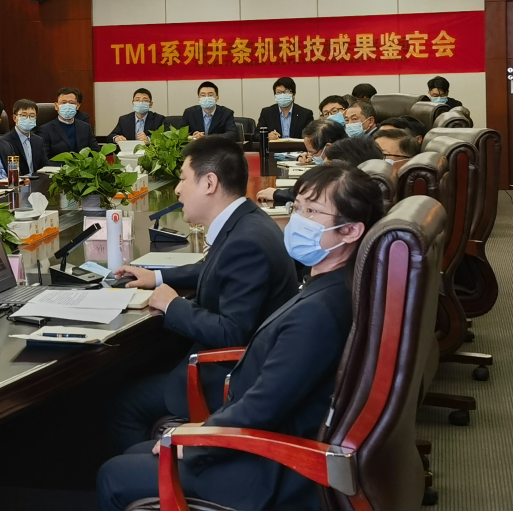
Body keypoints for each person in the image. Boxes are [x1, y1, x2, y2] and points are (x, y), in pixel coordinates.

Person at [98, 163, 384, 511]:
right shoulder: (337, 284)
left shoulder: (319, 312)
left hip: (270, 471)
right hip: (268, 439)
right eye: (297, 207)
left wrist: (198, 439)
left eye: (312, 212)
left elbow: (264, 407)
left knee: (113, 474)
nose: (298, 220)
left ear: (350, 231)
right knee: (134, 453)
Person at [107, 137, 299, 454]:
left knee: (122, 404)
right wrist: (156, 277)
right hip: (239, 362)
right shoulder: (247, 220)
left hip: (231, 377)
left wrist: (173, 305)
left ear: (209, 183)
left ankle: (155, 473)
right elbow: (217, 270)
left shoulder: (245, 242)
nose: (177, 190)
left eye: (183, 179)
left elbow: (232, 332)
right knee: (134, 367)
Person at [256, 118, 346, 205]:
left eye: (312, 152)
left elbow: (312, 193)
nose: (311, 156)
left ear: (328, 147)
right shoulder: (344, 153)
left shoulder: (344, 168)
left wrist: (276, 194)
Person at [39, 88, 101, 162]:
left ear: (78, 106)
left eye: (71, 103)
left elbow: (96, 153)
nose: (67, 106)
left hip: (83, 167)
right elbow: (44, 159)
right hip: (58, 168)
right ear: (56, 106)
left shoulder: (86, 127)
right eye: (64, 102)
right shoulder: (45, 129)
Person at [1, 99, 46, 176]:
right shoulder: (5, 142)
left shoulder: (38, 140)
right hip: (18, 181)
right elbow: (10, 171)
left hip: (37, 180)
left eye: (32, 116)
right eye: (24, 115)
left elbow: (44, 166)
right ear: (15, 118)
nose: (28, 119)